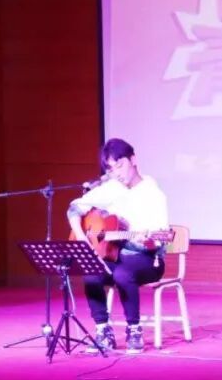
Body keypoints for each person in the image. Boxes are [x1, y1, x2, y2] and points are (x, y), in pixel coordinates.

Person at [67, 138, 170, 354]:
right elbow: (74, 209)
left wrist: (144, 240)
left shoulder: (154, 194)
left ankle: (134, 330)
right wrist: (83, 239)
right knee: (92, 273)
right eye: (111, 169)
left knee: (123, 273)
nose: (117, 173)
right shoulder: (111, 188)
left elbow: (157, 243)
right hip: (115, 255)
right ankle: (103, 330)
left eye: (120, 165)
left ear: (133, 160)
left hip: (148, 259)